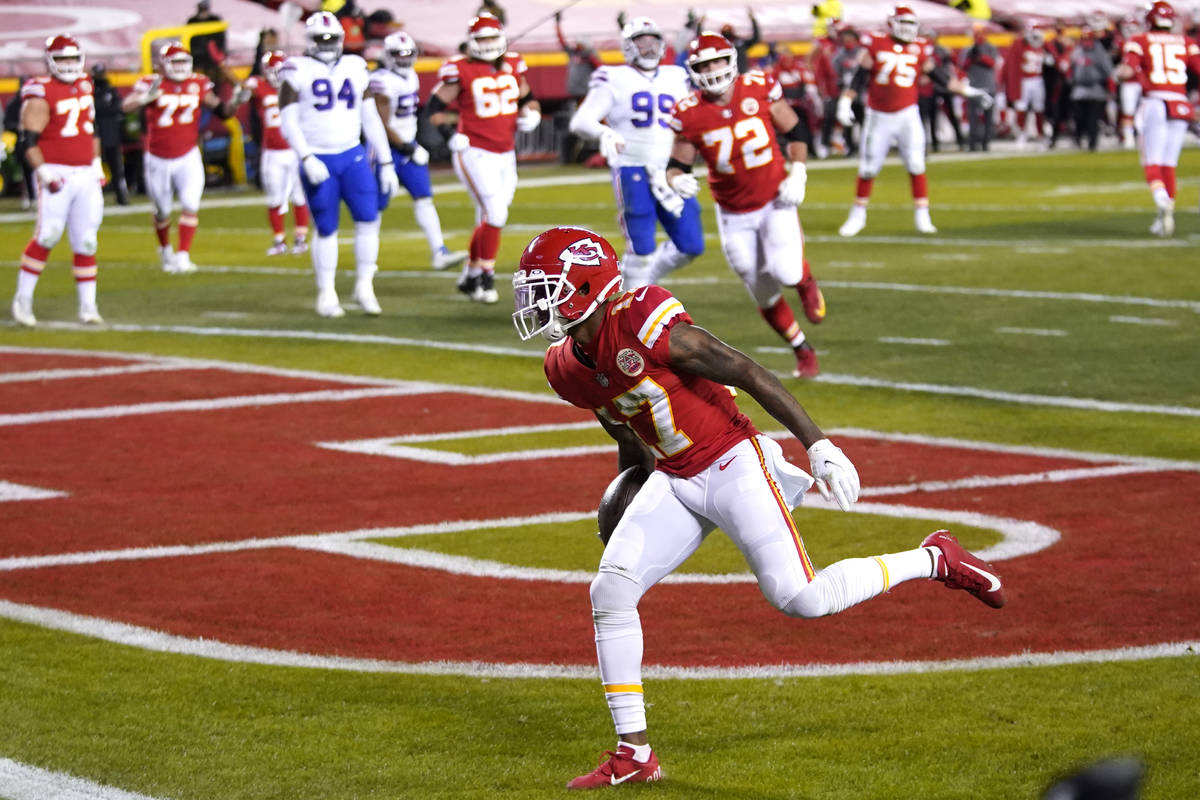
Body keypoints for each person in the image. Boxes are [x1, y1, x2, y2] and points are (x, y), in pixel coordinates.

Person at [509, 225, 1007, 789]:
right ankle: (635, 754)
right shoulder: (564, 366)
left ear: (585, 284)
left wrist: (818, 444)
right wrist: (628, 485)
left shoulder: (644, 324)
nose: (535, 301)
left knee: (803, 599)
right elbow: (624, 426)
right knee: (612, 589)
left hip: (731, 463)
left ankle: (935, 559)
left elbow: (745, 370)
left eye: (544, 287)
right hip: (674, 477)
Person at [667, 32, 826, 378]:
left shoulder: (759, 86)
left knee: (786, 271)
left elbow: (796, 132)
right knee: (762, 290)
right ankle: (802, 350)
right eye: (703, 64)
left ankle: (805, 280)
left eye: (717, 61)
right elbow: (677, 164)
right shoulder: (688, 112)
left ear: (731, 60)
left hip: (774, 200)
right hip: (732, 213)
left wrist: (797, 172)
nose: (711, 70)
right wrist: (677, 180)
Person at [278, 11, 400, 317]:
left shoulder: (355, 65)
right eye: (322, 38)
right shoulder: (296, 68)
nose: (328, 44)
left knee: (369, 221)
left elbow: (369, 116)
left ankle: (364, 287)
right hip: (319, 156)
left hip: (353, 155)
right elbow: (288, 120)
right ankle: (327, 292)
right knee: (327, 227)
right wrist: (306, 156)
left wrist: (385, 160)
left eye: (333, 38)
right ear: (310, 41)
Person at [834, 5, 993, 237]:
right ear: (892, 23)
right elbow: (859, 79)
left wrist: (969, 92)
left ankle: (923, 215)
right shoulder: (876, 43)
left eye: (911, 24)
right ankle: (858, 216)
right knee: (868, 169)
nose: (908, 29)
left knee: (917, 165)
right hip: (878, 116)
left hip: (908, 114)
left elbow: (941, 78)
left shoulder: (920, 48)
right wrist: (844, 102)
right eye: (904, 23)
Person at [569, 16, 704, 290]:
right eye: (642, 42)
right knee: (641, 246)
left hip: (672, 171)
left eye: (654, 41)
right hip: (632, 168)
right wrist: (604, 133)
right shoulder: (613, 76)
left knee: (691, 244)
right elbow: (581, 121)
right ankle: (631, 300)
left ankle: (644, 280)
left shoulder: (677, 75)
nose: (650, 48)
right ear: (628, 46)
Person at [426, 13, 540, 305]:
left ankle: (470, 274)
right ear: (472, 41)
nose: (488, 44)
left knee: (488, 215)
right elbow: (433, 109)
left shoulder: (513, 64)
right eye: (482, 39)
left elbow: (528, 97)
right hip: (473, 150)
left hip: (505, 152)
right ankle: (485, 276)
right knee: (496, 213)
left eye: (492, 37)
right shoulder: (460, 69)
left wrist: (532, 114)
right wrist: (450, 133)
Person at [122, 41, 240, 274]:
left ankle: (183, 255)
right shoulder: (151, 82)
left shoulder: (198, 83)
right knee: (162, 210)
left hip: (188, 154)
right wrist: (146, 97)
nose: (179, 66)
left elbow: (222, 111)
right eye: (174, 62)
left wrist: (236, 100)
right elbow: (126, 105)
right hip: (157, 156)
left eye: (183, 61)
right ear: (164, 65)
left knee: (190, 204)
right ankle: (166, 250)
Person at [12, 35, 106, 327]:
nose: (67, 65)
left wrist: (97, 164)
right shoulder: (40, 90)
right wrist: (44, 173)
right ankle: (23, 299)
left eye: (71, 58)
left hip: (85, 173)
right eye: (61, 59)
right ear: (50, 60)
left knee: (87, 241)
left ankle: (88, 307)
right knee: (48, 234)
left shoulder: (85, 84)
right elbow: (27, 141)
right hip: (57, 172)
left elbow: (91, 131)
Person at [368, 31, 468, 270]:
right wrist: (407, 147)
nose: (404, 59)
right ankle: (368, 261)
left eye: (408, 54)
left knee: (424, 199)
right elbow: (380, 124)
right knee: (376, 207)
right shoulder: (382, 80)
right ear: (388, 56)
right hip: (386, 150)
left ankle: (439, 252)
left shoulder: (411, 76)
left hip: (408, 147)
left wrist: (411, 145)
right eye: (398, 54)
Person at [1118, 0, 1200, 236]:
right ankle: (1166, 217)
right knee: (1169, 164)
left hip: (1154, 101)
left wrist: (1119, 74)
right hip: (1180, 103)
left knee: (1152, 161)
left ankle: (1161, 198)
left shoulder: (1139, 40)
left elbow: (1128, 70)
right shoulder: (1186, 41)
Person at [242, 51, 310, 256]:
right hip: (272, 152)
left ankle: (300, 239)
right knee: (275, 198)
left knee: (299, 196)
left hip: (296, 150)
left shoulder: (298, 86)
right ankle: (279, 240)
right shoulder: (259, 86)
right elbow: (245, 89)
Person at [1004, 26, 1052, 149]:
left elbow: (1051, 60)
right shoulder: (1020, 45)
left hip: (1038, 80)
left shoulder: (1044, 47)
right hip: (1024, 81)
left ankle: (1040, 135)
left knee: (1039, 109)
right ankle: (1021, 134)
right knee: (1021, 107)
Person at [1068, 24, 1113, 152]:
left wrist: (1109, 88)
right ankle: (1078, 140)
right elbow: (1070, 68)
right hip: (1079, 89)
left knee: (1093, 119)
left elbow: (1108, 71)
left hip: (1095, 89)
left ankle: (1092, 143)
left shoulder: (1100, 52)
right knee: (1078, 118)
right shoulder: (1077, 51)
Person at [89, 64, 129, 205]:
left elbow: (118, 108)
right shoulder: (89, 90)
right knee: (93, 168)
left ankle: (121, 196)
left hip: (111, 135)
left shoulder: (110, 90)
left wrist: (104, 109)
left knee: (117, 169)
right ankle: (93, 198)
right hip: (95, 136)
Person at [960, 23, 999, 151]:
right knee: (973, 116)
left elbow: (992, 63)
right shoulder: (968, 49)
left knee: (988, 117)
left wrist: (980, 57)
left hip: (988, 85)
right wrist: (972, 58)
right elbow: (963, 66)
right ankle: (973, 143)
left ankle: (985, 142)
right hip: (974, 87)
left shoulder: (990, 48)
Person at [720, 9, 762, 73]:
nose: (727, 33)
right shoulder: (719, 45)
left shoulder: (740, 42)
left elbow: (755, 39)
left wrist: (753, 20)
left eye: (728, 31)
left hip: (742, 72)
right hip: (726, 74)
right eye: (725, 31)